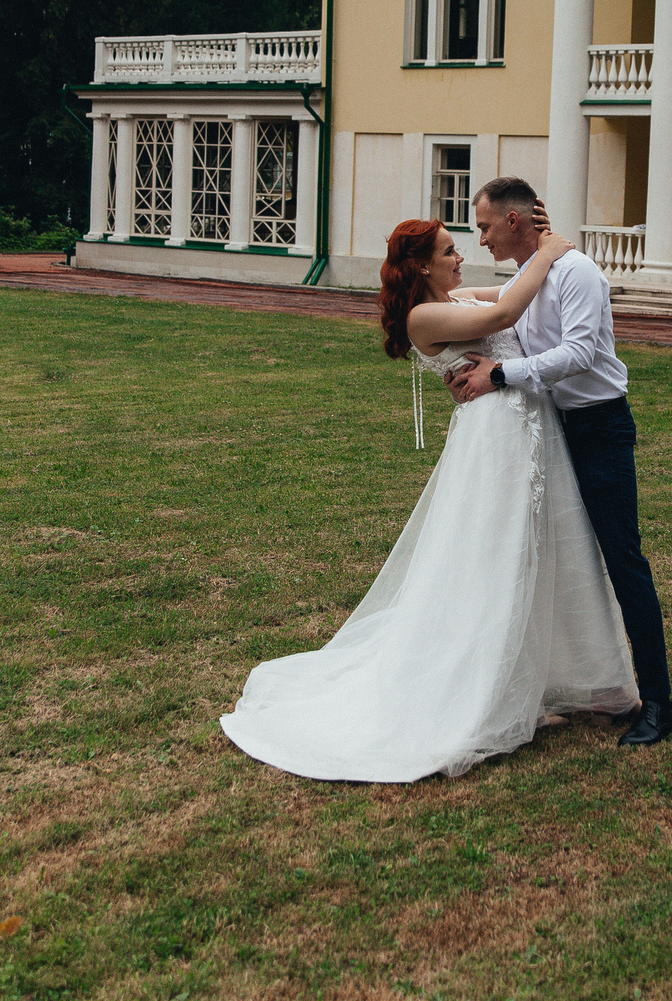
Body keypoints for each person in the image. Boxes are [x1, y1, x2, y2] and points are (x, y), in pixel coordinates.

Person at [219, 217, 639, 783]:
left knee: (546, 548)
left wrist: (544, 256)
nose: (462, 255)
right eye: (449, 250)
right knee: (498, 557)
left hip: (530, 430)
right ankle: (484, 690)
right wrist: (551, 251)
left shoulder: (456, 296)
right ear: (422, 265)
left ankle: (562, 675)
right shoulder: (425, 315)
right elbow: (503, 315)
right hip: (496, 440)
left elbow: (513, 294)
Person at [445, 176, 672, 747]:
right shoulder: (524, 279)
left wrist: (497, 374)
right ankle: (570, 681)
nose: (481, 240)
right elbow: (496, 314)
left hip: (598, 427)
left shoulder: (577, 273)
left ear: (515, 221)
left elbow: (579, 354)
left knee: (623, 560)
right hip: (548, 429)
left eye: (485, 226)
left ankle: (659, 705)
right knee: (552, 557)